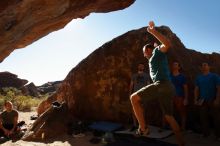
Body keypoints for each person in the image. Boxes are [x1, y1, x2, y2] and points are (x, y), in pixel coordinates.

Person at [130, 21, 184, 146]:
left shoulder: (156, 52)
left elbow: (166, 44)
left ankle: (143, 129)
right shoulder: (154, 57)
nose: (144, 54)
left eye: (144, 51)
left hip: (162, 84)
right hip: (168, 87)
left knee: (133, 98)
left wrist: (153, 32)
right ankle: (182, 143)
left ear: (148, 50)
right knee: (169, 117)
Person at [194, 62, 220, 139]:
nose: (204, 67)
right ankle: (206, 133)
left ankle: (218, 135)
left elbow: (219, 88)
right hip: (202, 100)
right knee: (203, 117)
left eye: (205, 65)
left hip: (212, 99)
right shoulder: (199, 77)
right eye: (202, 66)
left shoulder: (214, 76)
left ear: (209, 67)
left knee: (216, 118)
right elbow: (196, 89)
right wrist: (195, 99)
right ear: (201, 68)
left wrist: (217, 99)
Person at [129, 63, 150, 128]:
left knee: (143, 110)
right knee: (134, 110)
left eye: (142, 66)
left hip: (143, 95)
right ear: (138, 67)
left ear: (143, 68)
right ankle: (135, 124)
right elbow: (131, 85)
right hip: (135, 94)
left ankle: (142, 125)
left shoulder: (146, 76)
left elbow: (148, 85)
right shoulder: (134, 76)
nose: (141, 66)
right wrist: (130, 93)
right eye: (139, 65)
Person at [170, 61, 188, 131]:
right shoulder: (169, 76)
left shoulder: (182, 77)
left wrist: (186, 98)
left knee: (182, 112)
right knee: (170, 112)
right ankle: (172, 127)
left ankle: (183, 127)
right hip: (170, 96)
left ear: (179, 67)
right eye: (173, 64)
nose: (174, 66)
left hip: (179, 96)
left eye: (176, 64)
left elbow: (185, 88)